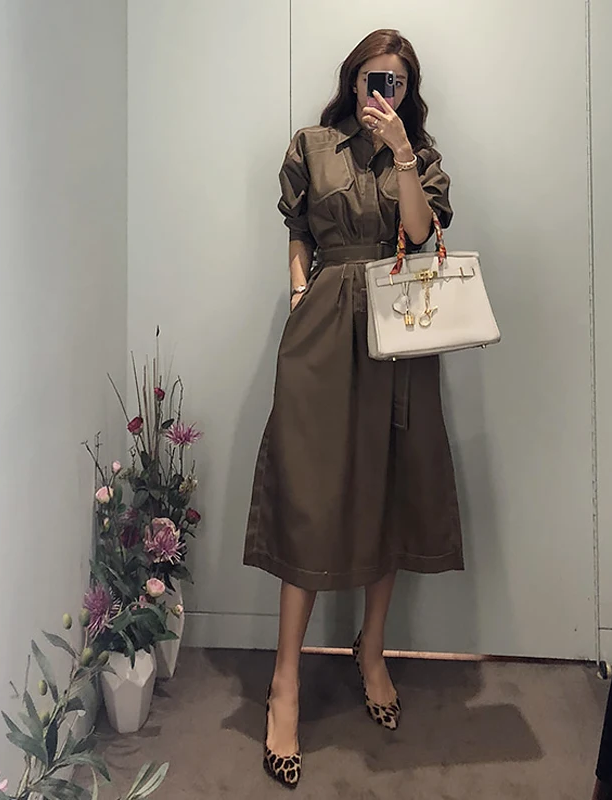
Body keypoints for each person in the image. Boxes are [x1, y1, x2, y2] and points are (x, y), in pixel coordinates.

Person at [243, 28, 464, 788]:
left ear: (410, 91)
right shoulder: (313, 145)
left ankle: (372, 651)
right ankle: (285, 681)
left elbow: (419, 235)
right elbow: (298, 231)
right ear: (353, 79)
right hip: (325, 328)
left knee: (389, 486)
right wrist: (299, 294)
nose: (384, 92)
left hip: (397, 329)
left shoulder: (420, 155)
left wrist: (401, 150)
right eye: (375, 78)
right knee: (310, 493)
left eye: (397, 82)